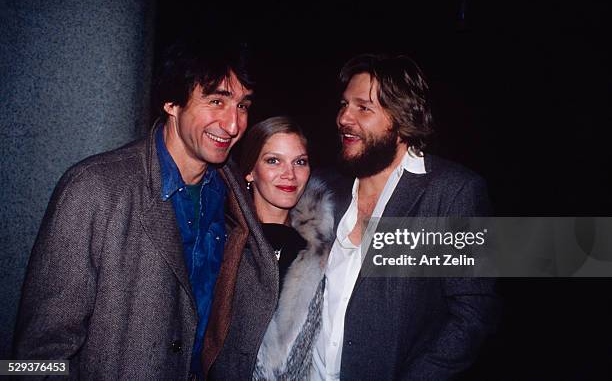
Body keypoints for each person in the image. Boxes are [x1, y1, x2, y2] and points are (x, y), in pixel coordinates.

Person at [13, 38, 268, 380]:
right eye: (216, 101)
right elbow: (29, 360)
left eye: (242, 105)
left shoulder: (230, 191)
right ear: (171, 102)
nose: (233, 124)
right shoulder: (93, 189)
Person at [310, 53, 500, 380]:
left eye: (363, 107)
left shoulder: (453, 192)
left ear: (403, 119)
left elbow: (471, 315)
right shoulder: (324, 186)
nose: (343, 118)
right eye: (344, 105)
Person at [207, 117, 334, 380]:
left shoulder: (325, 251)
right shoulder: (219, 243)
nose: (289, 174)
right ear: (250, 171)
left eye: (299, 162)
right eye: (273, 161)